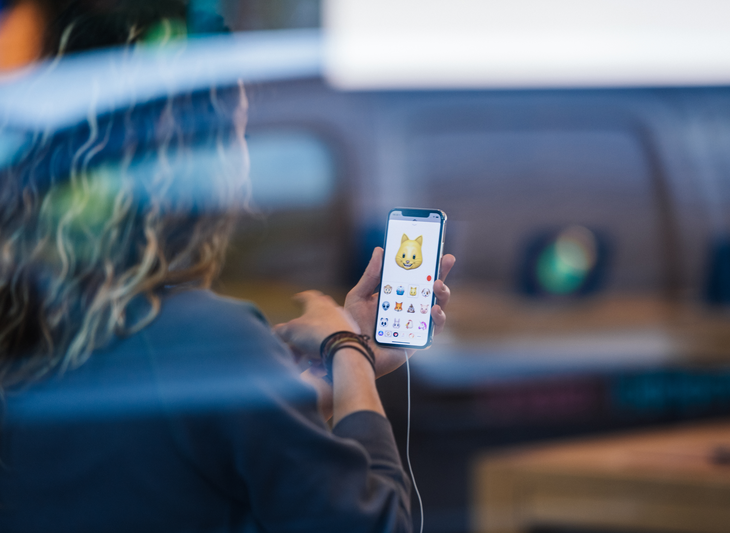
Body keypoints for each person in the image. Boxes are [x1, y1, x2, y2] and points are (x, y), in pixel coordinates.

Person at [0, 75, 456, 531]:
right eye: (241, 133)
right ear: (204, 168)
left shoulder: (50, 324)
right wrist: (346, 348)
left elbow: (215, 446)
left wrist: (334, 362)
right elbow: (378, 524)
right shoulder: (206, 337)